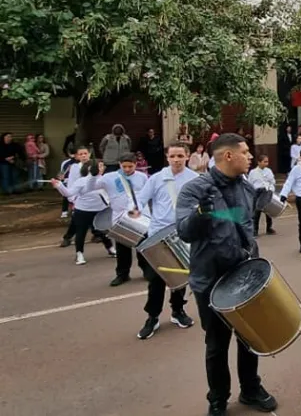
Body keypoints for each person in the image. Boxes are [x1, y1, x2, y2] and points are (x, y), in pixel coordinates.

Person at [176, 133, 278, 416]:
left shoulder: (245, 188)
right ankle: (218, 399)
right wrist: (200, 213)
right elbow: (183, 230)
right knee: (217, 345)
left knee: (250, 339)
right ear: (228, 156)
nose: (250, 157)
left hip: (245, 276)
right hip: (210, 281)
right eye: (245, 152)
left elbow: (246, 229)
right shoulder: (194, 190)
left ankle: (250, 389)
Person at [130, 143, 197, 339]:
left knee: (181, 276)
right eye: (172, 156)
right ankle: (152, 317)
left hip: (182, 234)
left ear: (187, 156)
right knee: (156, 279)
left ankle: (178, 311)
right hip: (158, 235)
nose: (176, 159)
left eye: (180, 155)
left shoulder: (194, 179)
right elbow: (141, 199)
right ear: (167, 158)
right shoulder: (157, 178)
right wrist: (135, 210)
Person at [83, 153, 150, 287]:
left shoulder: (142, 177)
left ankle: (147, 271)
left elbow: (149, 194)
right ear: (119, 164)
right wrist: (93, 175)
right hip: (120, 218)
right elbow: (89, 188)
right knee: (122, 249)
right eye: (124, 166)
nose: (127, 169)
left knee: (143, 247)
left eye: (130, 166)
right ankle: (122, 274)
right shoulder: (109, 177)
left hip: (140, 217)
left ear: (135, 164)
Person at [51, 155, 116, 265]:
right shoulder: (81, 181)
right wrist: (59, 186)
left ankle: (110, 248)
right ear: (90, 168)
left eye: (102, 166)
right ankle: (79, 254)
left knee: (103, 231)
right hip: (83, 211)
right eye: (99, 166)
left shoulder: (105, 180)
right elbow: (68, 193)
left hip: (100, 210)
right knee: (80, 233)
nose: (102, 168)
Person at [248, 154, 276, 236]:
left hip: (266, 191)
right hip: (257, 192)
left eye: (267, 162)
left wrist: (271, 189)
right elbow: (250, 183)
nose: (266, 163)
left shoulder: (269, 171)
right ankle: (255, 229)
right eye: (264, 162)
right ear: (259, 162)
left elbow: (272, 182)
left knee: (268, 210)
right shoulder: (253, 172)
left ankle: (269, 227)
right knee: (257, 211)